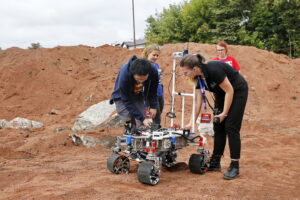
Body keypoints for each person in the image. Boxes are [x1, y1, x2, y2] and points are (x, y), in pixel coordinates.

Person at [180, 54, 248, 180]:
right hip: (222, 94)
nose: (184, 75)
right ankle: (216, 162)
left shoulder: (213, 69)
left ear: (194, 68)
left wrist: (224, 113)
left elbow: (230, 90)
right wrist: (191, 122)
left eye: (185, 72)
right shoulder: (198, 78)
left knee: (231, 127)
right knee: (218, 125)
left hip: (237, 91)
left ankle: (234, 166)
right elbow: (198, 102)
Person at [111, 56, 159, 132]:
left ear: (148, 74)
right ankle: (129, 138)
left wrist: (153, 106)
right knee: (129, 122)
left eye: (143, 79)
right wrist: (142, 119)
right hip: (121, 96)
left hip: (137, 93)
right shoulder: (125, 75)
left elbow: (153, 90)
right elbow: (126, 100)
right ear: (132, 74)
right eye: (138, 79)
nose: (140, 82)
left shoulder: (153, 71)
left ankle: (145, 141)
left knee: (145, 123)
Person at [142, 44, 164, 128]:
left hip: (159, 93)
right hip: (151, 95)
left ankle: (155, 131)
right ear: (147, 53)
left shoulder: (156, 65)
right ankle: (153, 135)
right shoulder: (144, 65)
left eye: (157, 55)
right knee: (153, 118)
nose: (155, 57)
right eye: (154, 55)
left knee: (158, 116)